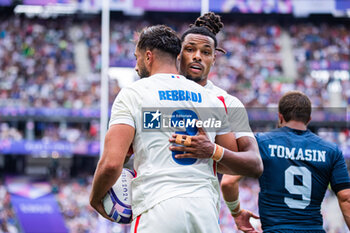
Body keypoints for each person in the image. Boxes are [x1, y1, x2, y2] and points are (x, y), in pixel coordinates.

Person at [90, 25, 262, 233]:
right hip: (204, 211)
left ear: (148, 56)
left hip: (157, 208)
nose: (136, 67)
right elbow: (232, 160)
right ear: (179, 56)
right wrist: (211, 152)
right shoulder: (212, 100)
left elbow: (110, 165)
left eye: (136, 58)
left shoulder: (134, 93)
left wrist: (95, 198)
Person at [179, 90, 350, 232]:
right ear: (309, 119)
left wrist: (237, 213)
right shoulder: (331, 151)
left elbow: (228, 183)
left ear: (280, 117)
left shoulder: (261, 142)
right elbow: (346, 198)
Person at [169, 12, 261, 232]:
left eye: (205, 52)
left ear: (213, 58)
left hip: (202, 209)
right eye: (190, 50)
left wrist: (212, 151)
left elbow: (254, 163)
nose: (197, 56)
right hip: (156, 204)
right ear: (178, 54)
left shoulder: (227, 102)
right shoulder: (154, 92)